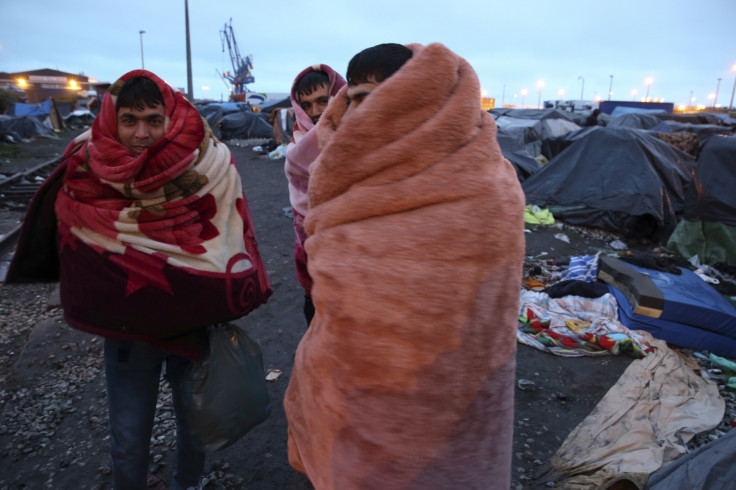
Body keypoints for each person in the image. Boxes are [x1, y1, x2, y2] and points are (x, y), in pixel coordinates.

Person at [6, 70, 272, 490]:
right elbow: (71, 233)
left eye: (153, 119)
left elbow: (232, 227)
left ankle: (188, 484)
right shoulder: (86, 163)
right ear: (113, 119)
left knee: (194, 420)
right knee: (129, 434)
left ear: (171, 119)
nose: (141, 133)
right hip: (127, 331)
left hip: (191, 325)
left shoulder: (210, 161)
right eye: (129, 120)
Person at [284, 43, 526, 489]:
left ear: (418, 96)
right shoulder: (344, 171)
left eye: (380, 97)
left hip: (445, 397)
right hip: (354, 394)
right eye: (354, 99)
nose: (361, 113)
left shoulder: (486, 183)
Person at [284, 65, 346, 326]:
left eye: (322, 101)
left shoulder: (362, 136)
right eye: (306, 104)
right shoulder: (297, 144)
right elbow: (301, 203)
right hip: (312, 257)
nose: (315, 112)